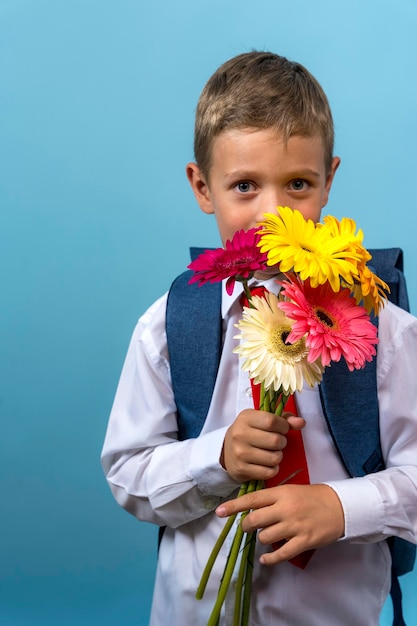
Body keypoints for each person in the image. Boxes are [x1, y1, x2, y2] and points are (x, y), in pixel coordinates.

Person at [101, 51, 417, 625]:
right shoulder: (167, 327)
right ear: (202, 187)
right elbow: (128, 472)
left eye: (298, 183)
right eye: (244, 185)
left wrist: (340, 506)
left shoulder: (384, 327)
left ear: (329, 182)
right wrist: (213, 456)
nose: (273, 214)